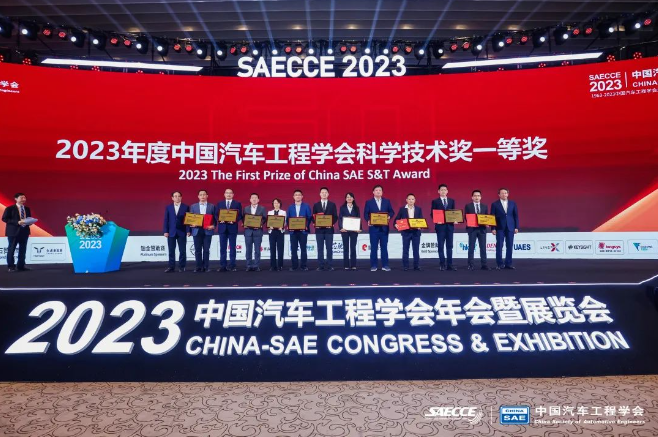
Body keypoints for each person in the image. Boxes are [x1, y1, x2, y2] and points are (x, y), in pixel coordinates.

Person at [363, 185, 395, 272]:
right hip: (374, 229)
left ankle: (385, 265)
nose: (378, 191)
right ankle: (373, 265)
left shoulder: (386, 201)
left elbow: (391, 212)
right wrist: (368, 220)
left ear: (382, 192)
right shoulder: (369, 202)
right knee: (373, 248)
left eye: (380, 190)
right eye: (376, 190)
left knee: (384, 247)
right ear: (373, 192)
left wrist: (389, 217)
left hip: (384, 229)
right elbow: (365, 214)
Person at [2, 192, 33, 272]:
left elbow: (28, 218)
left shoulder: (27, 209)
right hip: (13, 232)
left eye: (24, 198)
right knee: (11, 249)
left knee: (23, 250)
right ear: (16, 199)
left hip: (24, 231)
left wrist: (30, 222)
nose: (24, 199)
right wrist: (17, 222)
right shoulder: (10, 208)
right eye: (21, 198)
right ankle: (11, 266)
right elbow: (4, 219)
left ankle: (21, 266)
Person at [490, 188, 519, 270]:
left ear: (508, 194)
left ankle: (508, 264)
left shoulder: (513, 203)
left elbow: (516, 216)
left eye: (505, 193)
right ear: (499, 195)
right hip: (499, 228)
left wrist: (516, 227)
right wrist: (493, 228)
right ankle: (499, 264)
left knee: (509, 246)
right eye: (502, 193)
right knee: (499, 246)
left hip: (510, 227)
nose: (504, 194)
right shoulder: (494, 204)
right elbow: (492, 217)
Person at [431, 183, 457, 271]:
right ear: (438, 191)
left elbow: (453, 213)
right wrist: (436, 220)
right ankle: (442, 264)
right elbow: (432, 213)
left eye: (445, 190)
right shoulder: (435, 201)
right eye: (441, 190)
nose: (443, 191)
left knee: (450, 246)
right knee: (441, 246)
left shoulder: (451, 201)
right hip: (440, 227)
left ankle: (450, 265)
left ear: (447, 191)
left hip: (450, 227)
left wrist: (455, 219)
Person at [163, 191, 190, 272]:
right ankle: (171, 267)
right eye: (175, 196)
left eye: (179, 196)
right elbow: (166, 220)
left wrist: (188, 230)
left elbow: (188, 220)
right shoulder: (169, 207)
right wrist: (165, 231)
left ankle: (182, 267)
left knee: (182, 251)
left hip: (182, 232)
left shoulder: (186, 207)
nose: (177, 198)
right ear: (172, 198)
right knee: (171, 251)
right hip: (171, 232)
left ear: (181, 197)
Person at [189, 189, 216, 272]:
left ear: (207, 196)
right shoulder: (193, 206)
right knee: (197, 250)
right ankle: (198, 267)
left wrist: (213, 226)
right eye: (201, 195)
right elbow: (190, 219)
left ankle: (206, 267)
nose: (202, 196)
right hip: (196, 230)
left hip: (208, 230)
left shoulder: (212, 206)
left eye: (204, 194)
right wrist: (191, 225)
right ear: (198, 196)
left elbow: (215, 219)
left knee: (206, 250)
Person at [312, 187, 338, 271]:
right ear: (320, 194)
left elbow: (335, 216)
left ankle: (330, 265)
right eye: (322, 192)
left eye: (325, 192)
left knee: (329, 248)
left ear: (328, 194)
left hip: (329, 230)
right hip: (319, 230)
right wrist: (315, 223)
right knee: (320, 248)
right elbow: (313, 216)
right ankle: (320, 265)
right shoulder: (316, 205)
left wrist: (331, 223)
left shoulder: (332, 204)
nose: (324, 194)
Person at [216, 188, 242, 272]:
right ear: (224, 194)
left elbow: (240, 215)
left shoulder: (237, 203)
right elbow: (216, 214)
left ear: (233, 194)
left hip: (232, 228)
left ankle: (232, 265)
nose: (228, 194)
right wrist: (220, 220)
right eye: (227, 193)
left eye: (230, 193)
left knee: (233, 248)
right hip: (222, 228)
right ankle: (223, 265)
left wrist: (234, 220)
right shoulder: (220, 203)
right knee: (222, 248)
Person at [286, 189, 312, 271]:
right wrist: (289, 226)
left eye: (299, 195)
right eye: (296, 195)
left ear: (302, 196)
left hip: (303, 231)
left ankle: (303, 266)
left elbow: (309, 217)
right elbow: (288, 218)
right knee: (293, 249)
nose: (297, 196)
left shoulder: (306, 206)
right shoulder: (290, 207)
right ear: (293, 197)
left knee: (303, 249)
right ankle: (294, 266)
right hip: (293, 231)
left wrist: (306, 226)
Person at [395, 194, 423, 271]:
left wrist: (420, 226)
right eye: (409, 199)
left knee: (416, 250)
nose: (411, 201)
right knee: (405, 250)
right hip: (406, 232)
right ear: (406, 200)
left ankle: (416, 266)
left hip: (416, 232)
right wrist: (396, 225)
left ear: (415, 200)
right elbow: (397, 219)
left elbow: (421, 220)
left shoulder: (418, 209)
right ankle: (405, 266)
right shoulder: (402, 209)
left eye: (412, 199)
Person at [465, 189, 490, 271]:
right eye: (475, 196)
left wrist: (487, 223)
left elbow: (487, 217)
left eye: (478, 196)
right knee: (471, 247)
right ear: (472, 197)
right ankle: (470, 265)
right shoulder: (468, 206)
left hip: (482, 229)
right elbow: (466, 217)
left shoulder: (484, 206)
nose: (477, 197)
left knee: (483, 248)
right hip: (472, 229)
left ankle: (484, 265)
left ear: (481, 197)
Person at [243, 193, 267, 272]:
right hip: (248, 232)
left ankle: (256, 265)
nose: (254, 199)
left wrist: (260, 224)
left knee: (257, 250)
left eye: (255, 198)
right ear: (250, 199)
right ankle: (249, 265)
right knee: (248, 250)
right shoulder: (246, 208)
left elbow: (264, 218)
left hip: (258, 232)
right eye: (252, 198)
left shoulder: (262, 208)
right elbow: (243, 218)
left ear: (258, 200)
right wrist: (244, 224)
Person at [338, 192, 361, 270]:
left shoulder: (356, 208)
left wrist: (359, 228)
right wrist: (341, 227)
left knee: (353, 247)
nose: (349, 198)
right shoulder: (342, 207)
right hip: (345, 230)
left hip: (354, 231)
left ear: (353, 199)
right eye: (347, 197)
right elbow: (340, 218)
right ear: (345, 199)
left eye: (351, 197)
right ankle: (346, 265)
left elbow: (359, 218)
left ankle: (353, 265)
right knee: (346, 248)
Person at [267, 198, 286, 271]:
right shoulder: (270, 212)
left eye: (278, 203)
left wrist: (282, 226)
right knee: (272, 249)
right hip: (272, 232)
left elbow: (285, 222)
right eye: (275, 203)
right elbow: (268, 222)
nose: (276, 204)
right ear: (273, 204)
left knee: (280, 249)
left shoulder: (283, 212)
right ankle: (273, 266)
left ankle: (280, 265)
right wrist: (269, 226)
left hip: (280, 232)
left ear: (280, 204)